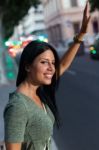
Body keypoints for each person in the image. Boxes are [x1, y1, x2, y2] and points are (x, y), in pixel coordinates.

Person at [4, 2, 91, 150]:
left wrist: (81, 34)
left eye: (52, 62)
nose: (51, 68)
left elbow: (62, 66)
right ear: (27, 66)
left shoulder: (38, 91)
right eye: (44, 62)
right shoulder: (18, 107)